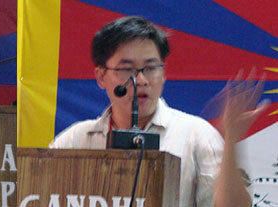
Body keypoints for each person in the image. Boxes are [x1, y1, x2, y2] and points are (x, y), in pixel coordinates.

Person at [49, 16, 266, 207]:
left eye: (151, 68)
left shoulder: (196, 135)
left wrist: (231, 141)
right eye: (127, 69)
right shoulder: (74, 141)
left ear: (163, 74)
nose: (141, 80)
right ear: (101, 76)